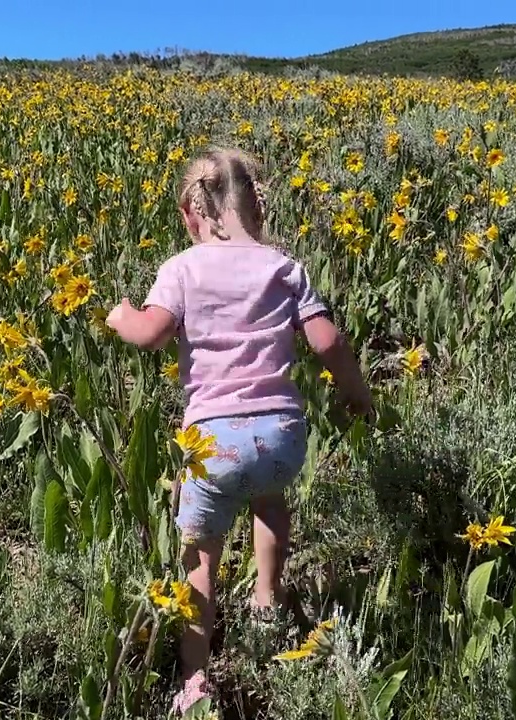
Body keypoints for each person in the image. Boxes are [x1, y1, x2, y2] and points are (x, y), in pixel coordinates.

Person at [105, 147, 372, 714]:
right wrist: (359, 396)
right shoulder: (284, 266)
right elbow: (328, 342)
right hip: (281, 436)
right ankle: (266, 599)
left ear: (189, 211)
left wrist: (121, 316)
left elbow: (152, 333)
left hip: (211, 442)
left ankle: (195, 679)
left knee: (200, 557)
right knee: (269, 504)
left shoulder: (181, 267)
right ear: (257, 206)